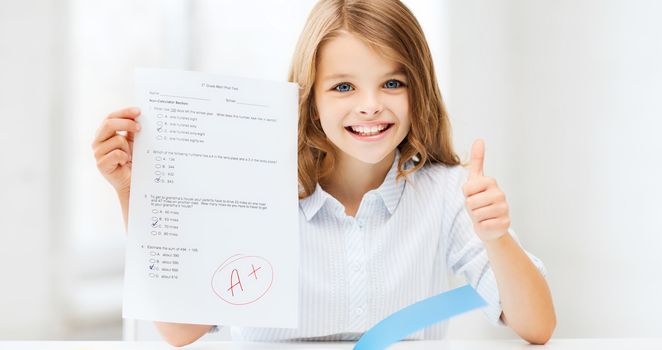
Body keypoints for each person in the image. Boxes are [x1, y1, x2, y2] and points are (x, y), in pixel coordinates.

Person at [92, 0, 555, 346]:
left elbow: (537, 326)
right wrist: (134, 191)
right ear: (310, 98)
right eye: (343, 87)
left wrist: (496, 238)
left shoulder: (445, 193)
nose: (370, 104)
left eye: (392, 83)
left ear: (421, 91)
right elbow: (180, 329)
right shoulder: (259, 189)